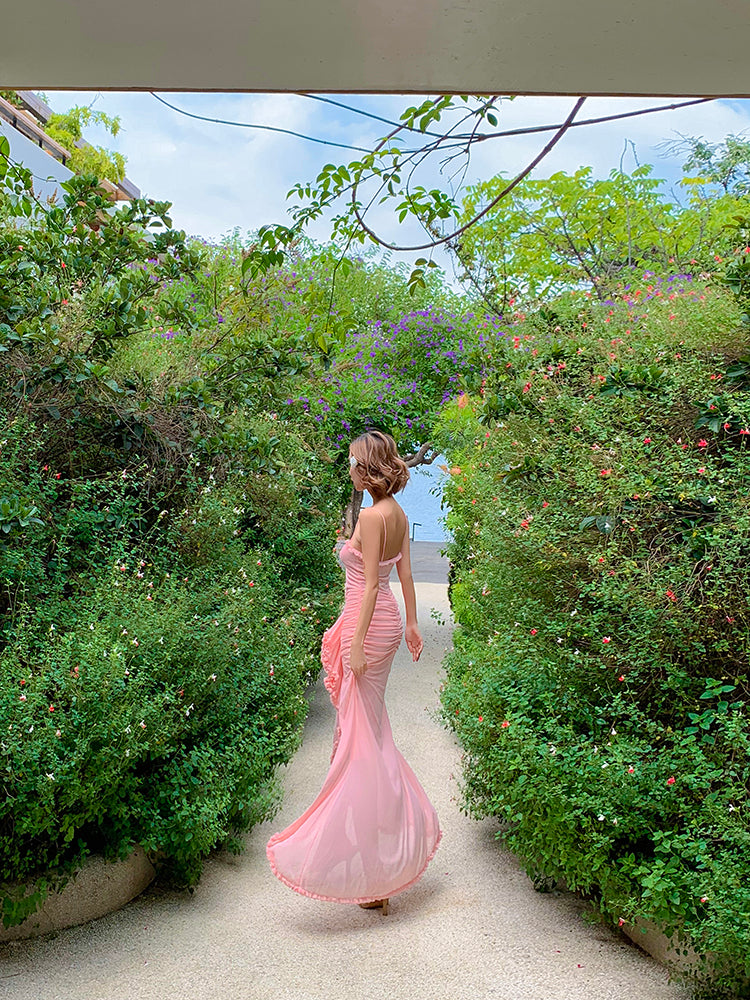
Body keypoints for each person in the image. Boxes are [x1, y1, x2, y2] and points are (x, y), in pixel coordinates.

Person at [266, 430, 442, 915]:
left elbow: (365, 590)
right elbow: (402, 576)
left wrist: (358, 643)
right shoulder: (398, 514)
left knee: (360, 744)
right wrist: (410, 624)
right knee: (369, 734)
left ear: (368, 470)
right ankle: (379, 867)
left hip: (365, 626)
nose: (348, 468)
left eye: (352, 462)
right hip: (385, 622)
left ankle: (378, 869)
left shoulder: (370, 515)